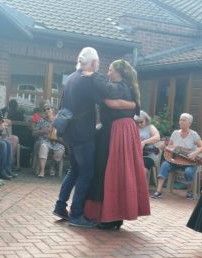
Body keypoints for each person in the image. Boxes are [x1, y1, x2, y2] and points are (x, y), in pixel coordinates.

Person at [84, 59, 150, 229]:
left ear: (119, 72)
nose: (108, 73)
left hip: (118, 133)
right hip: (121, 132)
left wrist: (93, 72)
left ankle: (109, 217)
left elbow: (108, 92)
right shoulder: (127, 88)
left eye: (111, 69)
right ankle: (113, 217)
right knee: (116, 172)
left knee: (110, 171)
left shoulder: (121, 87)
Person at [52, 47, 105, 228]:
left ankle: (60, 206)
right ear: (94, 63)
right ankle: (76, 215)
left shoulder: (72, 78)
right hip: (83, 134)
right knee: (86, 173)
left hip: (69, 133)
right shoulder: (87, 80)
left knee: (74, 170)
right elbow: (104, 100)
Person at [152, 113, 202, 200]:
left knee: (188, 172)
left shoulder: (193, 134)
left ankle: (189, 191)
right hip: (175, 161)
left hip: (189, 162)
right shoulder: (175, 133)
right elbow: (170, 146)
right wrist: (165, 147)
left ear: (189, 123)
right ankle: (158, 191)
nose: (181, 122)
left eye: (183, 120)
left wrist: (195, 153)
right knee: (165, 165)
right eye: (180, 120)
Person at [32, 103, 65, 177]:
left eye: (48, 109)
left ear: (53, 110)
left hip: (56, 142)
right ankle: (42, 170)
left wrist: (58, 136)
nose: (46, 111)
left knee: (60, 150)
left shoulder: (58, 120)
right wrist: (43, 131)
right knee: (43, 146)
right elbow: (33, 133)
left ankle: (52, 165)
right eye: (44, 110)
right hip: (45, 140)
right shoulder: (41, 120)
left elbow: (63, 133)